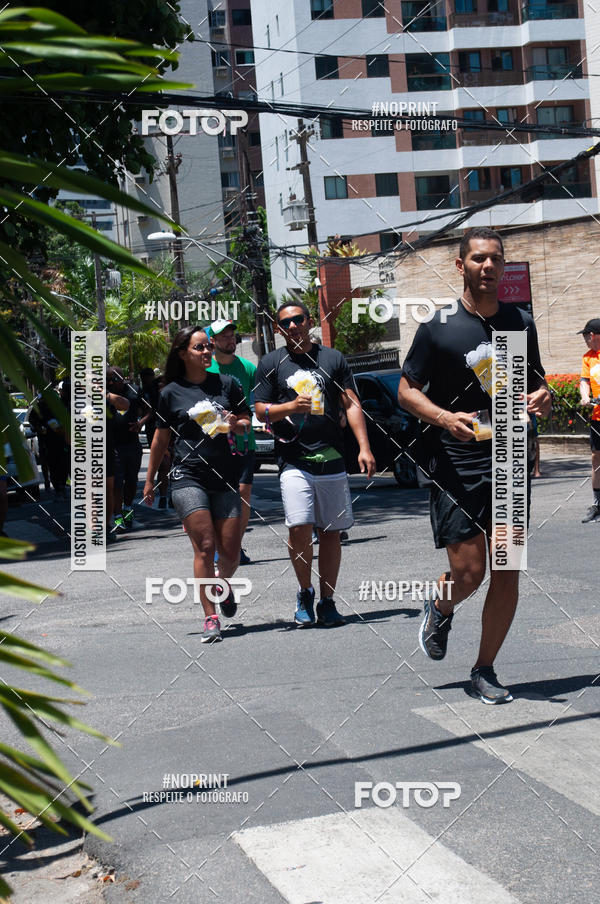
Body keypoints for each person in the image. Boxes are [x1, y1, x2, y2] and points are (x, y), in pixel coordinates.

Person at [398, 227, 551, 704]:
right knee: (469, 573)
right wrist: (444, 417)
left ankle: (484, 668)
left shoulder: (518, 322)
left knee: (508, 567)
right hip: (455, 461)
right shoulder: (438, 327)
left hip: (507, 456)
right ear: (460, 266)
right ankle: (441, 607)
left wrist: (542, 400)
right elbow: (405, 391)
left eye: (496, 260)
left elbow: (535, 386)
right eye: (479, 259)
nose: (489, 266)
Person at [254, 302, 376, 628]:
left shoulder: (332, 359)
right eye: (285, 323)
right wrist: (290, 406)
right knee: (299, 526)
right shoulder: (271, 363)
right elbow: (259, 411)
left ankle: (327, 600)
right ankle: (305, 591)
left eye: (298, 319)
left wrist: (363, 447)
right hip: (293, 458)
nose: (292, 326)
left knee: (331, 532)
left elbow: (351, 404)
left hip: (332, 457)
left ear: (308, 321)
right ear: (279, 329)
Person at [143, 326, 251, 643]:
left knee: (229, 552)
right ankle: (210, 618)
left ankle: (222, 584)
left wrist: (235, 422)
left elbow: (246, 424)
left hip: (226, 476)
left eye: (208, 346)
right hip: (187, 476)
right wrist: (150, 480)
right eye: (199, 347)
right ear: (182, 353)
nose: (206, 352)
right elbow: (160, 438)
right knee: (205, 548)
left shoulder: (227, 384)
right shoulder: (170, 393)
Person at [207, 318, 256, 563]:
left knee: (243, 494)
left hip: (245, 441)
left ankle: (236, 545)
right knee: (219, 495)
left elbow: (257, 402)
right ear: (212, 341)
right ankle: (219, 544)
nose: (229, 340)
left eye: (231, 335)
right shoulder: (206, 369)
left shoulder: (247, 368)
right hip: (214, 444)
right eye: (223, 336)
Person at [108, 367, 144, 531]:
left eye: (115, 378)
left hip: (132, 443)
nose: (112, 382)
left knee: (132, 480)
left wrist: (140, 423)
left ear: (123, 378)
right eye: (109, 379)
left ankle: (127, 510)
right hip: (113, 445)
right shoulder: (105, 395)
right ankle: (116, 518)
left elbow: (151, 411)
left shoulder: (134, 391)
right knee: (116, 483)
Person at [578, 318, 600, 522]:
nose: (585, 339)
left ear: (592, 336)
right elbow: (584, 381)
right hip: (597, 418)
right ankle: (597, 504)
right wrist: (585, 396)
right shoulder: (588, 357)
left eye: (585, 336)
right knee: (596, 458)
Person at [138, 367, 170, 510]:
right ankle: (163, 495)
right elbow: (145, 411)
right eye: (144, 376)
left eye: (149, 375)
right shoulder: (143, 392)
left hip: (171, 430)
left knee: (170, 464)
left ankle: (168, 495)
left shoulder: (165, 392)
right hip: (155, 431)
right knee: (163, 464)